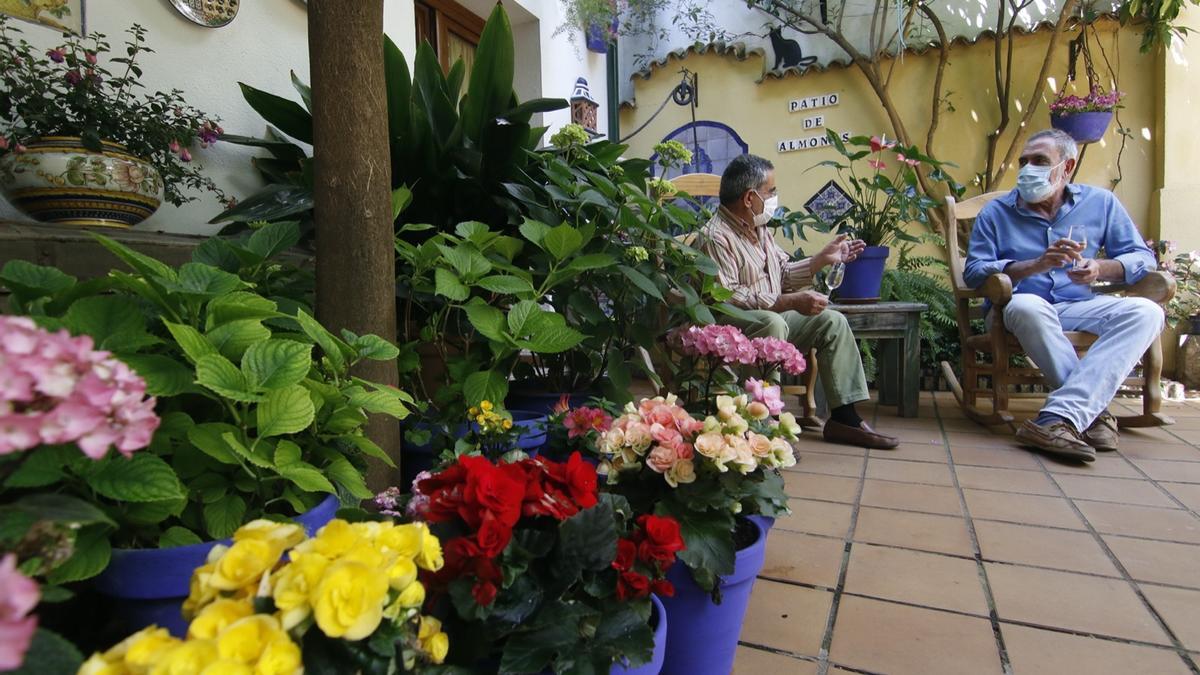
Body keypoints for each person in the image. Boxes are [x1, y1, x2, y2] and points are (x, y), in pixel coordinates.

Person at [965, 128, 1162, 462]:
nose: (1028, 169)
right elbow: (974, 271)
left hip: (1079, 305)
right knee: (1028, 305)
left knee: (1148, 313)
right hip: (1018, 306)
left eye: (1040, 161)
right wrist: (1034, 265)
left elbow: (1143, 258)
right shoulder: (996, 213)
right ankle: (1094, 414)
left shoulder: (1101, 203)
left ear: (1067, 167)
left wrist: (1101, 268)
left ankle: (1059, 418)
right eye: (1024, 162)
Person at [697, 153, 899, 450]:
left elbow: (783, 273)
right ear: (750, 197)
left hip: (770, 314)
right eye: (771, 191)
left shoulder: (759, 229)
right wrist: (788, 302)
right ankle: (763, 424)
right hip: (730, 326)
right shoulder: (715, 237)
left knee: (832, 320)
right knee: (772, 321)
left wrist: (820, 260)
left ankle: (844, 418)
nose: (775, 197)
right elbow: (728, 297)